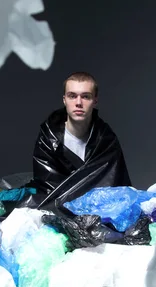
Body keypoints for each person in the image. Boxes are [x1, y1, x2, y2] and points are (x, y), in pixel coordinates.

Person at [27, 72, 131, 210]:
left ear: (95, 100)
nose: (78, 103)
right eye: (72, 96)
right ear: (64, 100)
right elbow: (47, 189)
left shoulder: (106, 140)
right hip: (56, 212)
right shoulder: (48, 138)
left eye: (85, 97)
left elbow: (117, 186)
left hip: (100, 212)